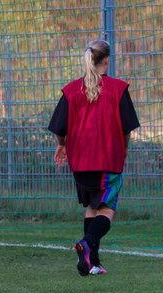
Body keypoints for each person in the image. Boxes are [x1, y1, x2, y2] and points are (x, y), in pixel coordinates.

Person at [48, 39, 139, 276]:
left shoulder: (71, 90)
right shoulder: (118, 89)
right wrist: (125, 148)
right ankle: (86, 243)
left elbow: (59, 128)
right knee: (107, 210)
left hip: (81, 165)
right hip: (107, 161)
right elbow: (126, 129)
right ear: (107, 60)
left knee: (92, 207)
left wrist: (62, 145)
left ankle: (93, 263)